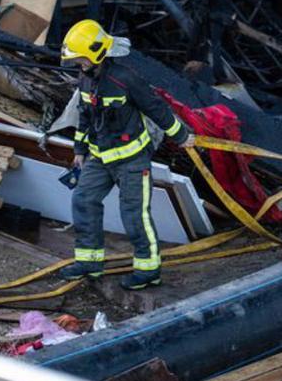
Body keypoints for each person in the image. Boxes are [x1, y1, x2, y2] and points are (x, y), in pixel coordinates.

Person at [58, 19, 194, 290]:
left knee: (134, 215)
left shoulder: (125, 79)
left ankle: (148, 270)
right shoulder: (85, 81)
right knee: (83, 201)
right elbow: (85, 117)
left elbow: (157, 108)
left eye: (81, 58)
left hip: (132, 160)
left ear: (96, 53)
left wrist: (182, 136)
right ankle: (89, 263)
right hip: (100, 158)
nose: (79, 64)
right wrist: (79, 151)